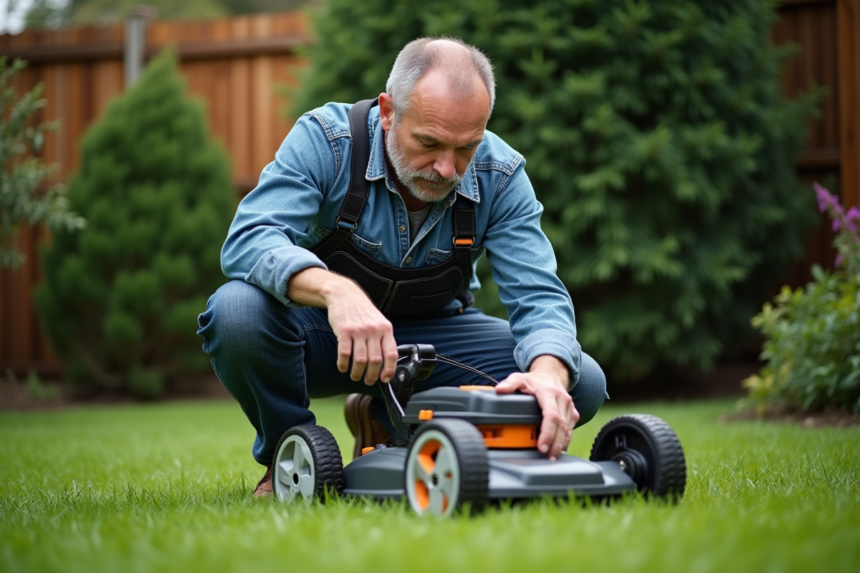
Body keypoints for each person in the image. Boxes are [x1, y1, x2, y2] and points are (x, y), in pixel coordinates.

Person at [197, 37, 608, 498]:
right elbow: (249, 239)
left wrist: (548, 375)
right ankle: (288, 456)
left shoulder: (501, 174)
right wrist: (338, 293)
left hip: (432, 342)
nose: (448, 168)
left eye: (466, 149)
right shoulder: (327, 140)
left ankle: (402, 429)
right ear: (389, 111)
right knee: (234, 312)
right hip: (324, 338)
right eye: (429, 143)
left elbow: (539, 295)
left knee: (581, 381)